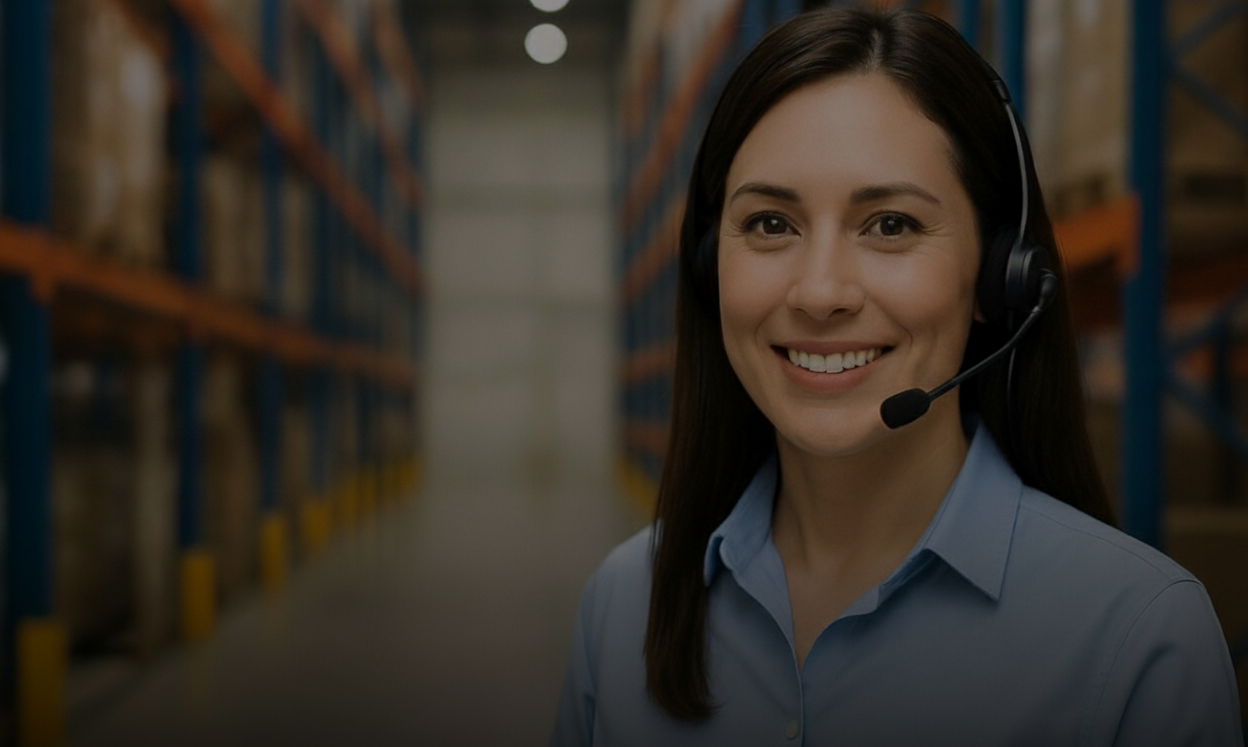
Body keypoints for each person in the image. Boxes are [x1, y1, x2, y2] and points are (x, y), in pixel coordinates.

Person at [552, 7, 1242, 747]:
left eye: (891, 225)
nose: (820, 293)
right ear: (708, 265)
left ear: (997, 277)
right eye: (771, 225)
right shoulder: (624, 607)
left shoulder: (1138, 639)